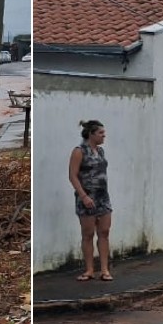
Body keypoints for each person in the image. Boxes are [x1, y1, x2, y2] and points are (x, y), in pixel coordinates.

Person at [68, 120, 112, 281]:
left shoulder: (100, 151)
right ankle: (89, 270)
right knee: (88, 234)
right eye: (101, 133)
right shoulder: (79, 151)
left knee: (104, 232)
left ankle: (105, 270)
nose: (104, 135)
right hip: (86, 197)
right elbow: (72, 175)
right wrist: (83, 196)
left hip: (103, 197)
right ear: (91, 134)